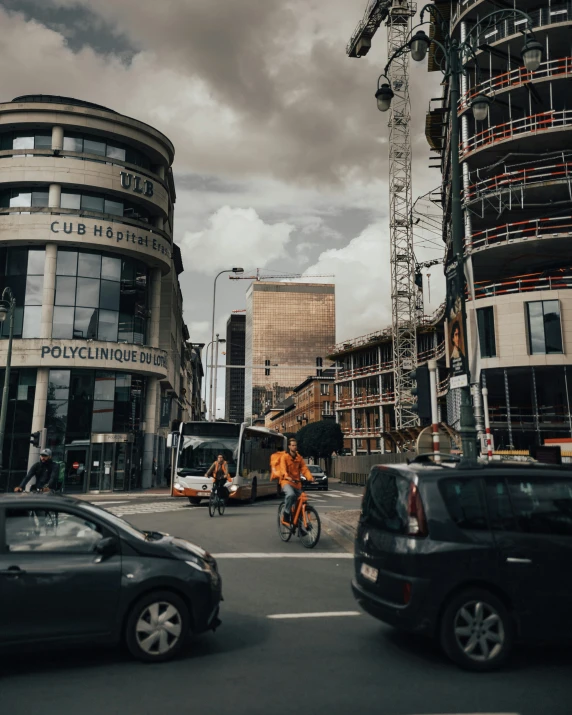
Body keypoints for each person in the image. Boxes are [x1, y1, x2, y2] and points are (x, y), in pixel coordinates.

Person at [273, 438, 313, 524]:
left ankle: (300, 524)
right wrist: (287, 476)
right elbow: (283, 469)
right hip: (286, 481)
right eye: (293, 445)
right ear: (289, 447)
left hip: (296, 483)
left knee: (303, 501)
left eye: (296, 445)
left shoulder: (299, 458)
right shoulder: (285, 457)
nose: (295, 447)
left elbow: (304, 469)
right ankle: (286, 513)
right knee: (291, 494)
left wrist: (310, 478)